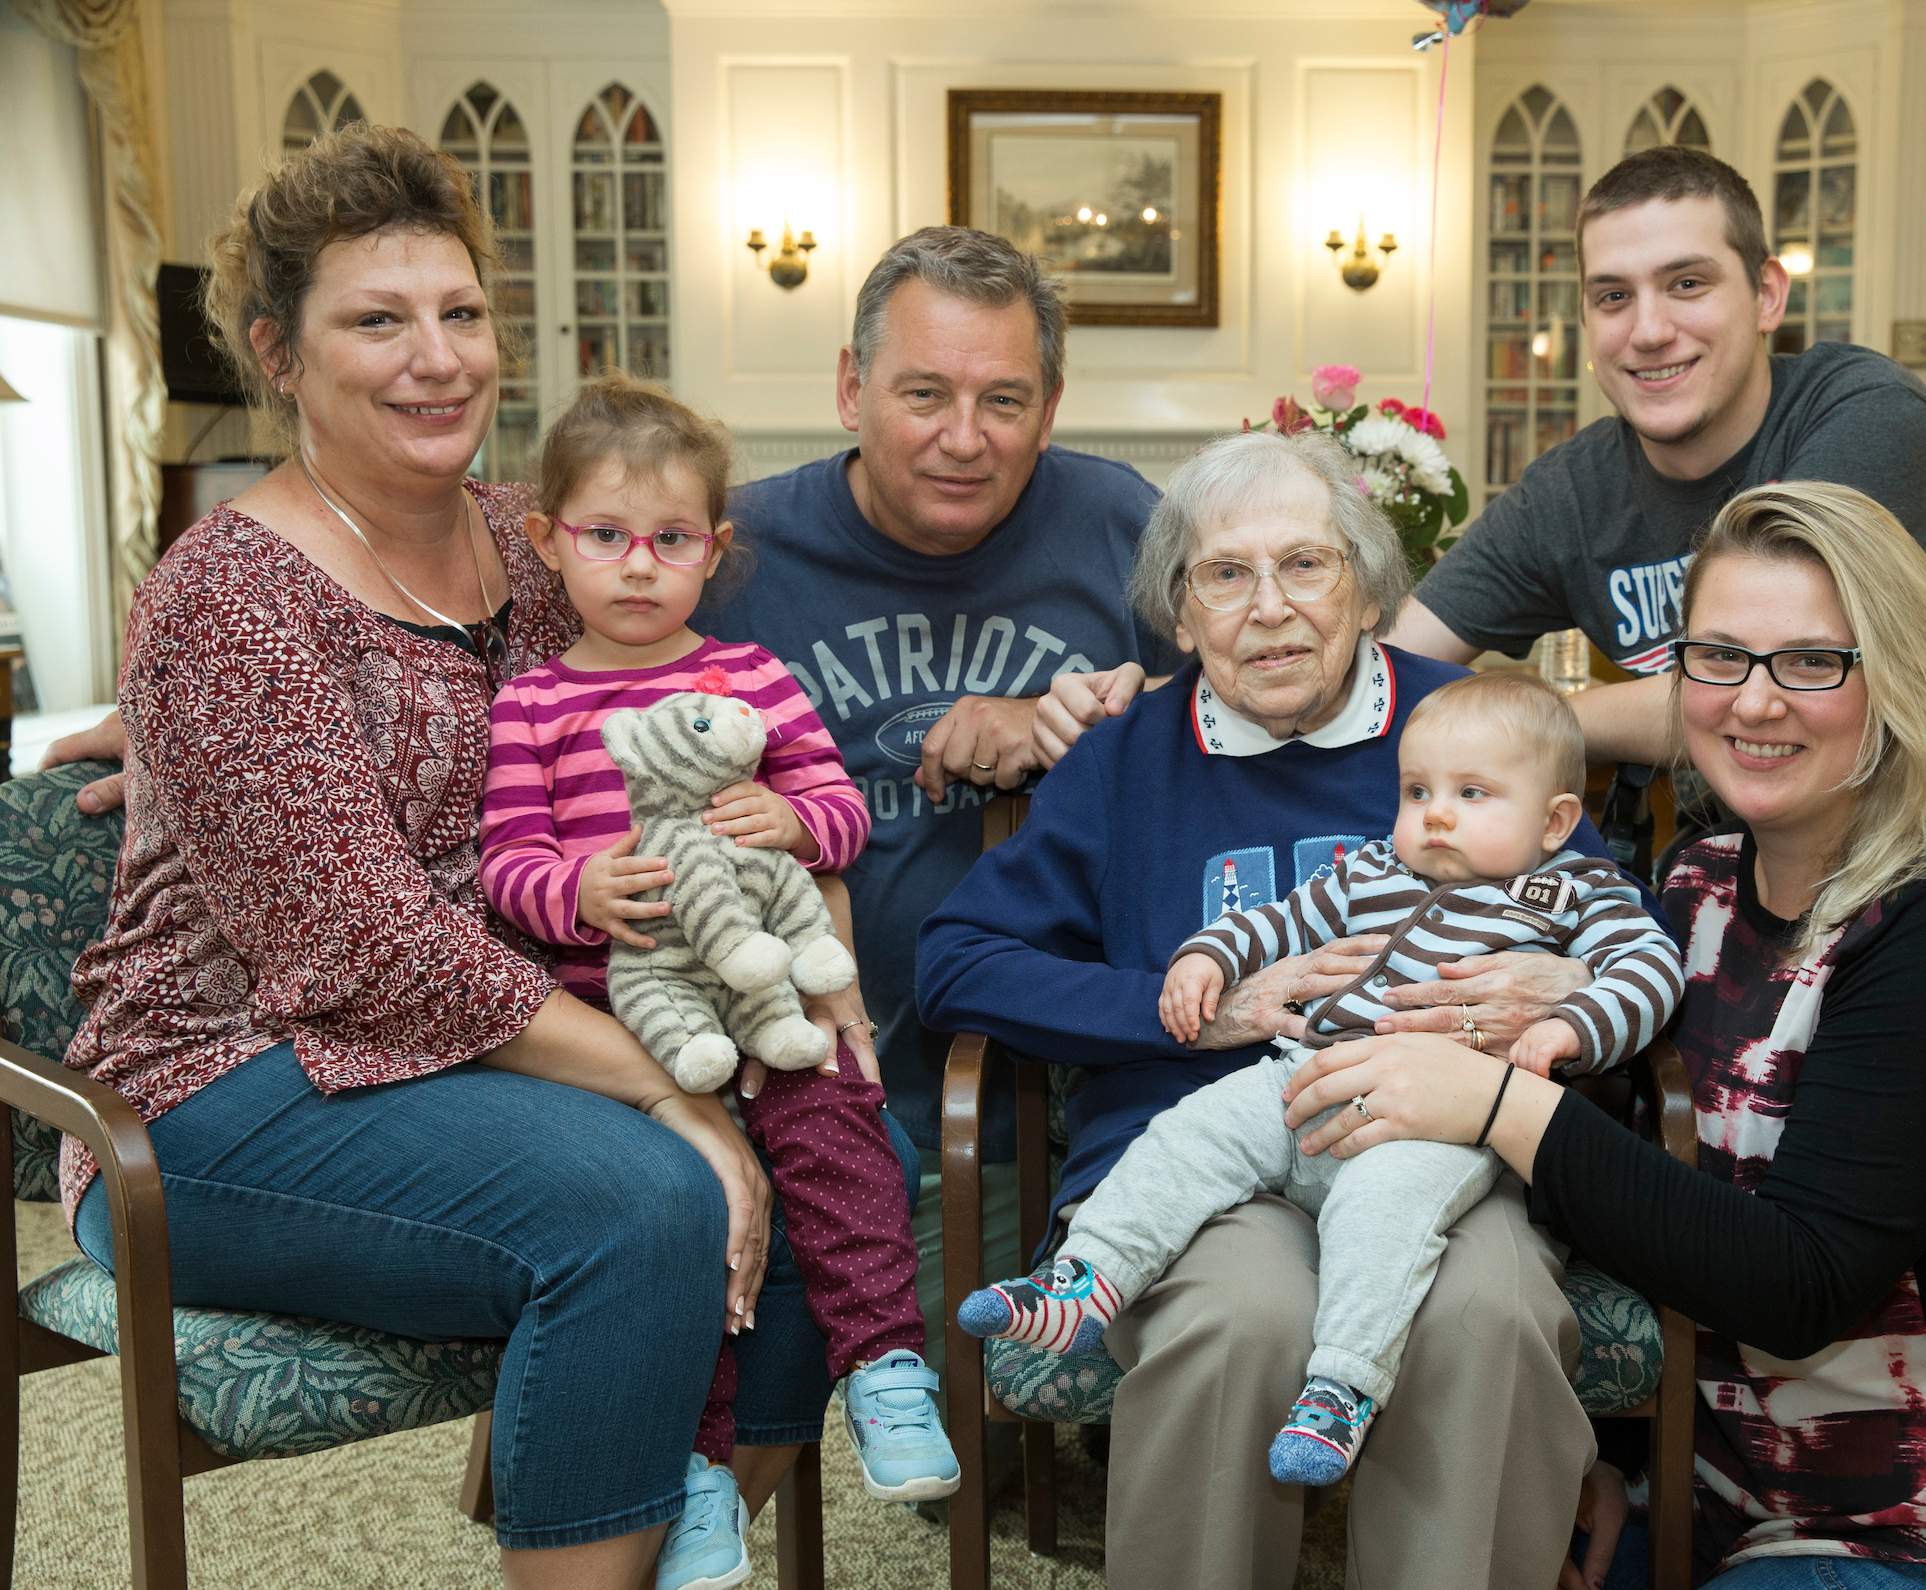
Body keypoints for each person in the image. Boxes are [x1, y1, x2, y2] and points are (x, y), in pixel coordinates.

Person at [1039, 144, 1926, 1272]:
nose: (1647, 328)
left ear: (1767, 293)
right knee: (1689, 1173)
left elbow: (1773, 691)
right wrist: (1195, 685)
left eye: (1687, 284)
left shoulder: (1863, 414)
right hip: (1753, 880)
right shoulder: (1574, 490)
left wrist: (1539, 728)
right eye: (1612, 295)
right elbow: (1383, 666)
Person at [56, 125, 854, 1590]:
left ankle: (668, 1523)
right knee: (643, 1200)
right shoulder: (228, 592)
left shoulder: (534, 536)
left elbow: (683, 715)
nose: (438, 358)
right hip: (222, 1085)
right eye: (376, 319)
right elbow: (360, 952)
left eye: (462, 313)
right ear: (277, 355)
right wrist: (675, 1097)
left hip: (492, 1044)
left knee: (819, 1121)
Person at [1281, 482, 1926, 1589]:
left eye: (1813, 662)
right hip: (1736, 1496)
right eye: (1718, 656)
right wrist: (1601, 1448)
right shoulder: (1695, 890)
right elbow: (1642, 1193)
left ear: (1901, 679)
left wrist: (1494, 1103)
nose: (1752, 702)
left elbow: (1795, 1286)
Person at [918, 428, 1624, 1588]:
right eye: (1226, 576)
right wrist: (1191, 1008)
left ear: (1367, 586)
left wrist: (1566, 980)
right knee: (1237, 1321)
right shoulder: (1124, 757)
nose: (1272, 608)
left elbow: (1610, 922)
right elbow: (956, 960)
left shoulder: (1477, 731)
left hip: (1439, 1151)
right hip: (1205, 1155)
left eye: (1307, 564)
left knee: (1487, 1314)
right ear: (1180, 618)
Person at [956, 669, 1681, 1495]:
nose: (1436, 813)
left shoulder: (1576, 892)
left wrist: (1569, 1023)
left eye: (1472, 793)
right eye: (1416, 791)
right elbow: (1277, 920)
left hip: (1437, 1121)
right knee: (1191, 1133)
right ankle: (1086, 1280)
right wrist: (1206, 957)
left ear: (1556, 821)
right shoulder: (1375, 870)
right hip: (1307, 1075)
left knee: (1386, 1218)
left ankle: (1341, 1387)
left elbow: (1650, 970)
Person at [476, 373, 958, 1587]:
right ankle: (693, 1476)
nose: (639, 567)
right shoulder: (531, 704)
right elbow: (506, 865)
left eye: (672, 540)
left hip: (757, 1001)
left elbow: (845, 812)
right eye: (604, 537)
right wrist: (574, 893)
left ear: (714, 548)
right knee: (681, 1231)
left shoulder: (750, 680)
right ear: (547, 540)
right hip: (620, 1022)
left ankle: (887, 1367)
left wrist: (789, 823)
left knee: (844, 1133)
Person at [699, 227, 1184, 1355]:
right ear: (849, 387)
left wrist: (1106, 714)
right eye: (924, 393)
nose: (964, 439)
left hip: (1043, 1097)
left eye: (1004, 401)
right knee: (734, 1388)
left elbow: (1269, 723)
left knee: (983, 1397)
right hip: (796, 1083)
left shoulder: (1122, 525)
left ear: (1051, 409)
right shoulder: (734, 556)